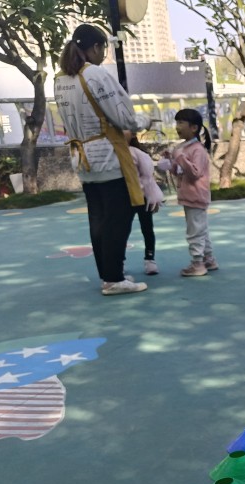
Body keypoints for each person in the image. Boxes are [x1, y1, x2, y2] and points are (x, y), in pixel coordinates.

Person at [54, 23, 154, 295]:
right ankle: (114, 277)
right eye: (103, 48)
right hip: (108, 155)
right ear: (96, 47)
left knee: (98, 218)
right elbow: (124, 117)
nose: (103, 54)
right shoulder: (95, 74)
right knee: (118, 217)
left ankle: (107, 274)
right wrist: (145, 121)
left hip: (82, 157)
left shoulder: (60, 79)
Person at [156, 109, 217, 277]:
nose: (177, 126)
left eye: (181, 123)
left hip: (196, 195)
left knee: (195, 231)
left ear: (194, 127)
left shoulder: (197, 149)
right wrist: (171, 162)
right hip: (190, 195)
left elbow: (195, 173)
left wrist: (179, 157)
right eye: (177, 122)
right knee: (201, 229)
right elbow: (180, 172)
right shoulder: (185, 147)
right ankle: (209, 259)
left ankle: (198, 264)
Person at [126, 131, 165, 274]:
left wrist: (153, 197)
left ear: (132, 134)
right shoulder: (114, 153)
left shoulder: (138, 153)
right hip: (123, 198)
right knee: (122, 230)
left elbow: (148, 178)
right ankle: (119, 261)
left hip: (142, 197)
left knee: (147, 228)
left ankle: (150, 259)